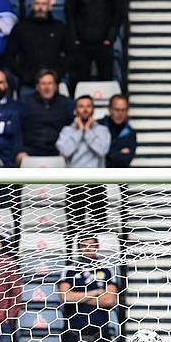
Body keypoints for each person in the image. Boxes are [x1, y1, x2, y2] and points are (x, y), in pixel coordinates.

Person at [57, 235, 119, 342]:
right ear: (78, 247)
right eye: (84, 245)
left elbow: (110, 300)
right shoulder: (69, 269)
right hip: (74, 330)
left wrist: (80, 296)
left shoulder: (106, 269)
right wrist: (95, 293)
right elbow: (65, 297)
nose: (88, 249)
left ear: (97, 246)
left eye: (91, 245)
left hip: (99, 330)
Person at [65, 0, 124, 86]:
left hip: (104, 43)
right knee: (80, 82)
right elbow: (70, 12)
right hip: (82, 43)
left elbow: (119, 12)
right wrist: (75, 39)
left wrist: (110, 38)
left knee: (105, 82)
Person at [58, 95, 111, 239]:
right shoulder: (66, 131)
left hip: (96, 184)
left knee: (99, 227)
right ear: (75, 110)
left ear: (93, 110)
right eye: (81, 106)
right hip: (74, 184)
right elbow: (65, 151)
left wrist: (87, 132)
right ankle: (71, 259)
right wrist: (79, 132)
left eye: (88, 106)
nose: (85, 109)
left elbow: (102, 150)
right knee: (74, 228)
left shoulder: (102, 130)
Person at [5, 0, 72, 97]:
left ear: (50, 6)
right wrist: (23, 75)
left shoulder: (60, 27)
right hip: (27, 85)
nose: (40, 7)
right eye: (37, 4)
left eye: (44, 4)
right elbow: (9, 55)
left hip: (53, 84)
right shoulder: (21, 28)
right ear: (32, 5)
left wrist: (58, 75)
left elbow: (71, 54)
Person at [18, 69, 75, 162]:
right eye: (43, 84)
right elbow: (18, 129)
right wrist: (19, 150)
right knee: (20, 157)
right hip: (32, 148)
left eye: (50, 83)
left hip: (58, 149)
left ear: (56, 86)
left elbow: (73, 128)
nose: (47, 87)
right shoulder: (26, 103)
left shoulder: (66, 103)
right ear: (37, 87)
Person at [102, 93, 137, 168]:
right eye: (117, 110)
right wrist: (118, 152)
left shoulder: (130, 132)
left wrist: (107, 151)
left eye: (123, 110)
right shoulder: (98, 126)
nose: (120, 113)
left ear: (127, 111)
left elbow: (125, 160)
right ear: (110, 109)